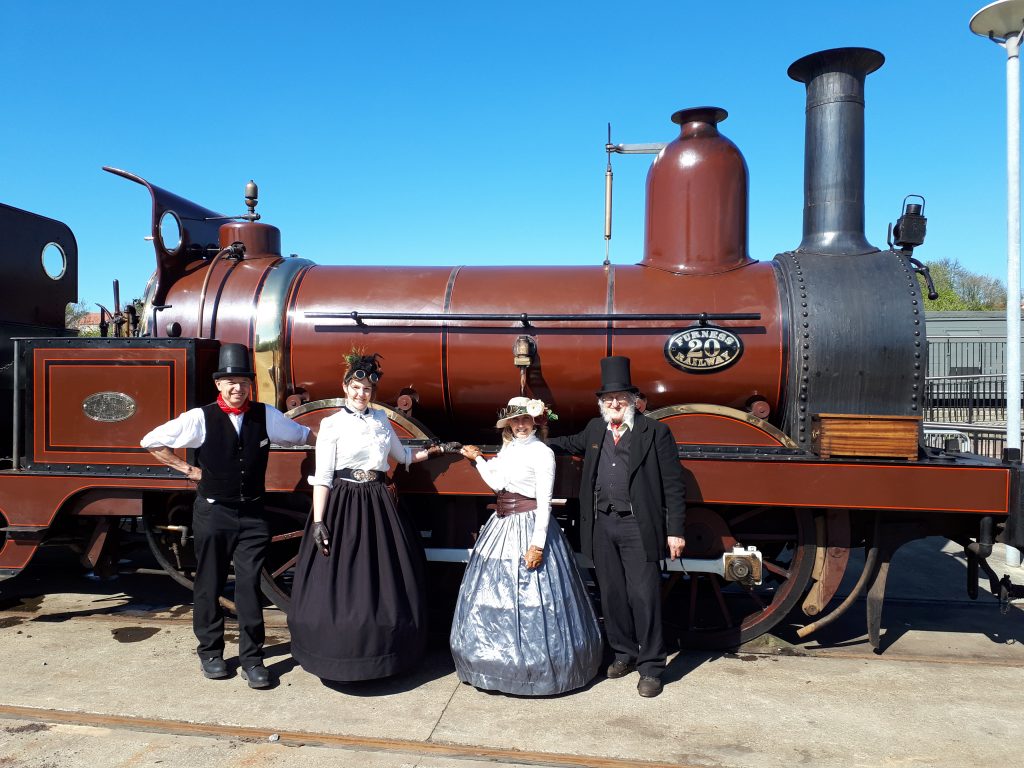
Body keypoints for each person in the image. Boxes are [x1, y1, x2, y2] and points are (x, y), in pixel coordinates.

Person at [141, 343, 312, 689]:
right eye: (231, 382)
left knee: (249, 586)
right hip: (214, 512)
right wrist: (187, 468)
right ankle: (211, 653)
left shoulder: (266, 416)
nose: (238, 388)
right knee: (209, 582)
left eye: (244, 382)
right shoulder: (199, 418)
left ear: (251, 385)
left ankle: (253, 659)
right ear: (219, 384)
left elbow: (305, 436)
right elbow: (151, 441)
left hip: (252, 514)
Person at [287, 352, 443, 681]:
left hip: (378, 501)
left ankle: (386, 654)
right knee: (343, 579)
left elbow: (403, 457)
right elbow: (324, 476)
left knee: (387, 575)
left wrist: (437, 450)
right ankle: (340, 654)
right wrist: (318, 520)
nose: (361, 394)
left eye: (367, 389)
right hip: (344, 502)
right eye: (356, 387)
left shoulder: (382, 422)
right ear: (345, 387)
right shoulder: (331, 424)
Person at [548, 356, 686, 698]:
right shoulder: (595, 430)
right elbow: (566, 444)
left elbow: (673, 485)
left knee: (644, 596)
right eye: (609, 399)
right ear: (601, 404)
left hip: (638, 526)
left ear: (633, 401)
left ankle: (652, 667)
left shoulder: (656, 433)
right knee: (611, 596)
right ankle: (625, 653)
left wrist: (676, 529)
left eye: (621, 398)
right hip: (601, 523)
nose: (614, 404)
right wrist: (528, 437)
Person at [451, 397, 602, 696]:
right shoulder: (508, 449)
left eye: (525, 420)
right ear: (508, 424)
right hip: (502, 522)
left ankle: (537, 671)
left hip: (529, 523)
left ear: (536, 422)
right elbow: (497, 484)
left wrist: (537, 544)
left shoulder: (542, 452)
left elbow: (544, 501)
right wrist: (480, 459)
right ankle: (491, 666)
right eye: (515, 420)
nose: (520, 425)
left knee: (533, 598)